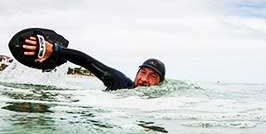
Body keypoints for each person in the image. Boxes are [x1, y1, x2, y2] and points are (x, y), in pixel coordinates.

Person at [22, 36, 165, 91]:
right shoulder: (119, 83)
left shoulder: (164, 103)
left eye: (153, 76)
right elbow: (87, 62)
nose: (145, 79)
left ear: (160, 83)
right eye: (143, 73)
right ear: (137, 74)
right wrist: (55, 49)